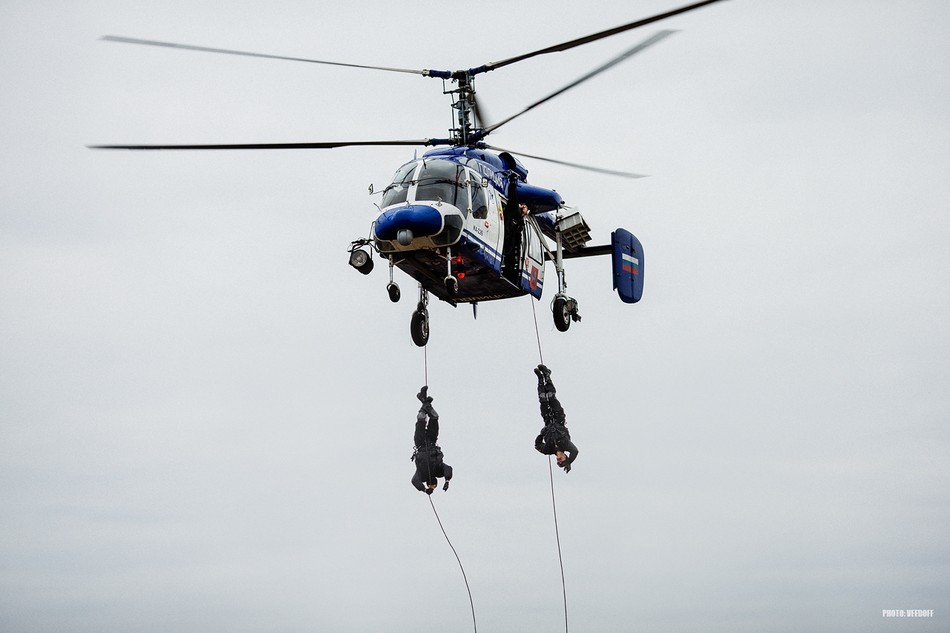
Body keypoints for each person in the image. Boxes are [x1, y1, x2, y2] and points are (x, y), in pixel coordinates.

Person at [533, 364, 578, 473]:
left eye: (558, 462)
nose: (559, 460)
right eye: (562, 461)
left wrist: (541, 434)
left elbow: (537, 445)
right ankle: (547, 375)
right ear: (565, 457)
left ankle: (540, 379)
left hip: (547, 422)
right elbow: (575, 451)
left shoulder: (548, 449)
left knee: (543, 398)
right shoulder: (567, 445)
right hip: (559, 418)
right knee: (551, 397)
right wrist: (569, 462)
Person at [411, 386, 453, 494]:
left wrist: (424, 489)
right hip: (432, 441)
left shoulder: (421, 475)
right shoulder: (439, 471)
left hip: (420, 444)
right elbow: (448, 468)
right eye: (434, 486)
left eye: (431, 486)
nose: (432, 486)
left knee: (421, 418)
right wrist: (447, 480)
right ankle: (424, 401)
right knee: (434, 417)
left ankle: (424, 401)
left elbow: (414, 481)